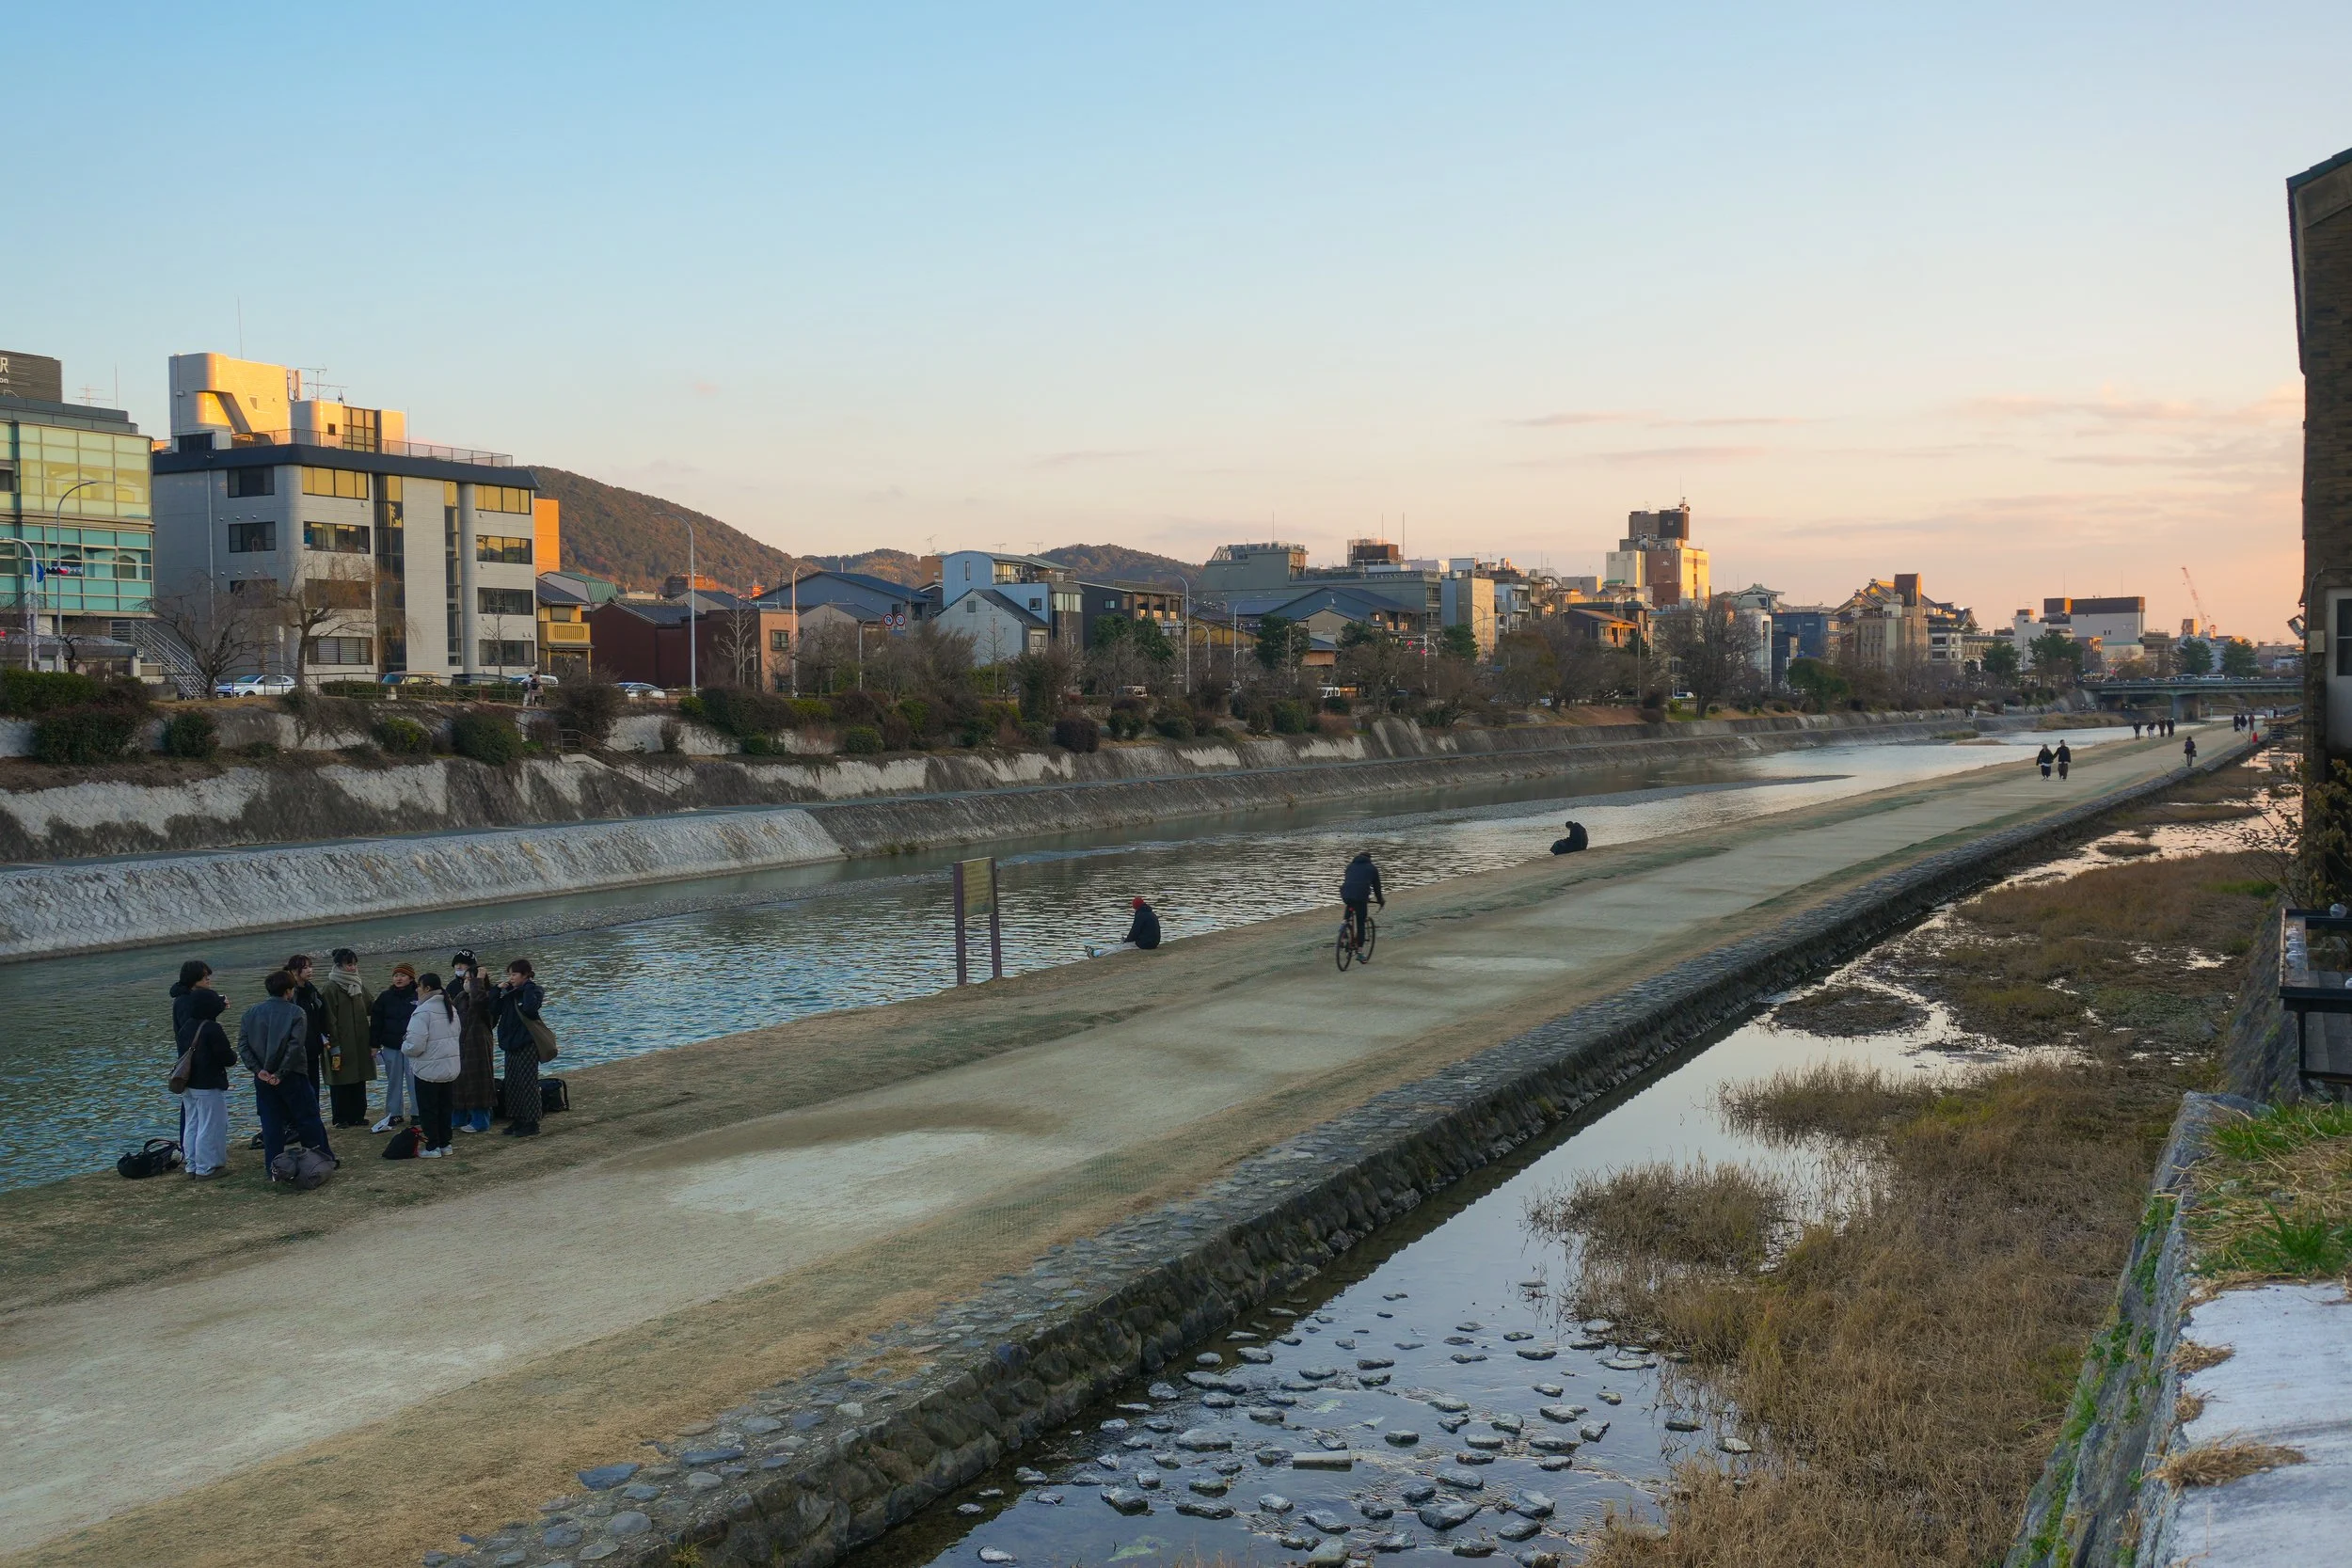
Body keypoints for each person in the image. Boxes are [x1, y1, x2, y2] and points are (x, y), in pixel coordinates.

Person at [239, 970, 335, 1178]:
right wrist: (280, 1073)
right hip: (292, 1074)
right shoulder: (295, 1012)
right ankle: (320, 1159)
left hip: (263, 1077)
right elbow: (294, 1047)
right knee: (308, 1118)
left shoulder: (250, 1013)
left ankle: (273, 1167)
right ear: (289, 991)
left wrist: (259, 1070)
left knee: (271, 1123)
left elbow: (243, 1047)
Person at [400, 972, 463, 1158]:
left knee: (428, 1108)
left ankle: (432, 1146)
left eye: (419, 986)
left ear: (426, 988)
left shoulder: (422, 1012)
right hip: (449, 1066)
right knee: (445, 1107)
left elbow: (415, 1045)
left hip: (428, 1068)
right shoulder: (451, 1008)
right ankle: (445, 1143)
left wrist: (404, 1045)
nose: (417, 990)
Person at [179, 984, 237, 1179]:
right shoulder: (212, 1029)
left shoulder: (186, 1026)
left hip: (188, 1083)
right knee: (211, 1126)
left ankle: (192, 1166)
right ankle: (207, 1168)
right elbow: (227, 1057)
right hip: (208, 1083)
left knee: (192, 1125)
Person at [320, 948, 375, 1129]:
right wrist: (334, 1044)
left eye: (354, 964)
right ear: (339, 966)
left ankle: (358, 1115)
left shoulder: (358, 984)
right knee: (340, 1080)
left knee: (359, 1078)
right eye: (349, 964)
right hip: (340, 1043)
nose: (352, 968)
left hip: (360, 1042)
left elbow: (371, 1006)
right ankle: (340, 1117)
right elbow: (328, 1019)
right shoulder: (330, 987)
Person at [495, 959, 546, 1138]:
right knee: (512, 1083)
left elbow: (531, 1009)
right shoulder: (510, 993)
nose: (511, 978)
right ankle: (517, 1118)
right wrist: (498, 990)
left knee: (528, 1083)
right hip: (510, 1044)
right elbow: (494, 1009)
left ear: (525, 975)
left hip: (526, 1043)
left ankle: (531, 1122)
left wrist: (528, 987)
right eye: (510, 975)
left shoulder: (534, 991)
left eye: (514, 974)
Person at [449, 951, 498, 1133]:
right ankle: (458, 1118)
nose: (466, 982)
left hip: (478, 1047)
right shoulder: (460, 997)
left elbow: (479, 1002)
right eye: (466, 980)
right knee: (458, 1082)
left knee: (478, 1083)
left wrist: (479, 979)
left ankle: (480, 1121)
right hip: (461, 1045)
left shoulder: (486, 998)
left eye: (470, 980)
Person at [169, 959, 215, 1148]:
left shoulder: (184, 999)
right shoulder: (186, 1001)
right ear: (194, 979)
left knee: (191, 1108)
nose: (208, 980)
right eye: (205, 977)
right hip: (193, 1059)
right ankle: (194, 1152)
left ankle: (190, 1150)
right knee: (194, 1111)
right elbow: (196, 1029)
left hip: (189, 1056)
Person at [371, 964, 421, 1132]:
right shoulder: (385, 997)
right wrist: (374, 1045)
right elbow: (376, 1023)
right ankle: (394, 1113)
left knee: (415, 1079)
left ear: (411, 978)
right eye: (396, 975)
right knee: (393, 1080)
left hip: (413, 1046)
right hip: (391, 1045)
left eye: (403, 975)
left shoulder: (418, 995)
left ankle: (417, 1112)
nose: (398, 979)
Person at [284, 954, 328, 1109]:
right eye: (305, 967)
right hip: (297, 1050)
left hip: (313, 1047)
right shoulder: (290, 994)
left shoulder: (311, 990)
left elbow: (322, 1013)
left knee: (313, 1087)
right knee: (300, 1088)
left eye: (310, 966)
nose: (310, 970)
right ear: (294, 971)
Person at [1340, 850, 1385, 947]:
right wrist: (1380, 901)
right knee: (1361, 923)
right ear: (1369, 859)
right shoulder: (1372, 868)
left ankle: (1344, 925)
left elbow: (1351, 881)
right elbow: (1377, 888)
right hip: (1361, 896)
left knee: (1350, 904)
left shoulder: (1350, 866)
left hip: (1346, 894)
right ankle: (1360, 951)